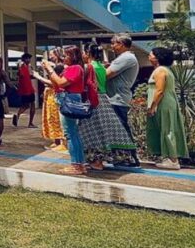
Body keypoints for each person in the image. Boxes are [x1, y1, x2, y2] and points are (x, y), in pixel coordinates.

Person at [78, 44, 138, 170]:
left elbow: (86, 85)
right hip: (104, 99)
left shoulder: (89, 67)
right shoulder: (101, 66)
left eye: (84, 52)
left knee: (92, 132)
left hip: (93, 99)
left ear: (88, 53)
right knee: (103, 131)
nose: (82, 55)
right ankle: (103, 159)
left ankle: (95, 160)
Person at [42, 46, 88, 175]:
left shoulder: (75, 68)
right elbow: (56, 83)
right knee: (73, 133)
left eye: (66, 55)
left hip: (69, 99)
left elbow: (61, 83)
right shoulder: (74, 68)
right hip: (69, 98)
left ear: (73, 56)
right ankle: (80, 164)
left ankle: (76, 165)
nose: (64, 58)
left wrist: (50, 69)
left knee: (70, 134)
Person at [146, 47, 189, 169]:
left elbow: (159, 90)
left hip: (163, 103)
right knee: (167, 128)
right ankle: (169, 157)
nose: (149, 56)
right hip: (167, 102)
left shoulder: (160, 70)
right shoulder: (166, 70)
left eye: (151, 55)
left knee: (167, 129)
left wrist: (152, 107)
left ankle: (172, 159)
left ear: (157, 58)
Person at [105, 33, 142, 166]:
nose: (112, 46)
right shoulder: (124, 57)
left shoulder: (126, 57)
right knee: (117, 129)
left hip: (118, 98)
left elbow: (107, 74)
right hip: (116, 98)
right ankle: (122, 157)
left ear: (121, 44)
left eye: (113, 43)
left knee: (121, 129)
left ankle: (130, 157)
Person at [33, 50, 67, 153]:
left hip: (55, 94)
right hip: (51, 94)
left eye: (52, 55)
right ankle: (57, 141)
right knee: (52, 118)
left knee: (56, 118)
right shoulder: (56, 66)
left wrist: (39, 77)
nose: (50, 57)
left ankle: (62, 143)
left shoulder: (60, 67)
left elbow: (55, 82)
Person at [13, 53, 37, 128]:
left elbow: (27, 76)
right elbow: (22, 75)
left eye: (29, 58)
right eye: (27, 58)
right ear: (24, 59)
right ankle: (30, 123)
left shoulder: (26, 66)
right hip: (27, 89)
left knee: (25, 105)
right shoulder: (23, 66)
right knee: (31, 105)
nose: (29, 60)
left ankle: (17, 115)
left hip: (25, 89)